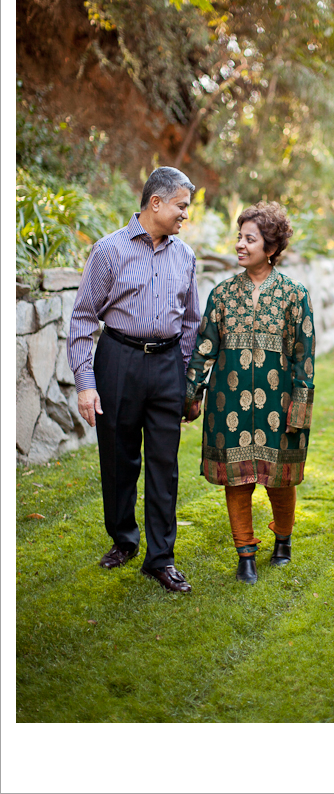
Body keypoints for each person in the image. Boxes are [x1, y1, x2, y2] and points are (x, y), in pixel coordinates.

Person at [67, 166, 201, 593]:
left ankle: (160, 558)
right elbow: (84, 318)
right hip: (118, 361)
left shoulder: (186, 256)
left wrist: (185, 381)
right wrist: (86, 383)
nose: (185, 216)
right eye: (181, 206)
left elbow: (192, 323)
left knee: (165, 464)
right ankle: (123, 540)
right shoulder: (109, 251)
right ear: (156, 203)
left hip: (166, 368)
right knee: (119, 459)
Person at [185, 202, 315, 584]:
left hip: (280, 403)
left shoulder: (295, 295)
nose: (240, 245)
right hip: (230, 404)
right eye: (239, 237)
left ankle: (283, 542)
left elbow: (304, 359)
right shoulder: (222, 295)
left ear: (270, 247)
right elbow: (204, 347)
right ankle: (245, 555)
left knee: (280, 479)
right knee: (236, 480)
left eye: (250, 239)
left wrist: (300, 410)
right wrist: (191, 392)